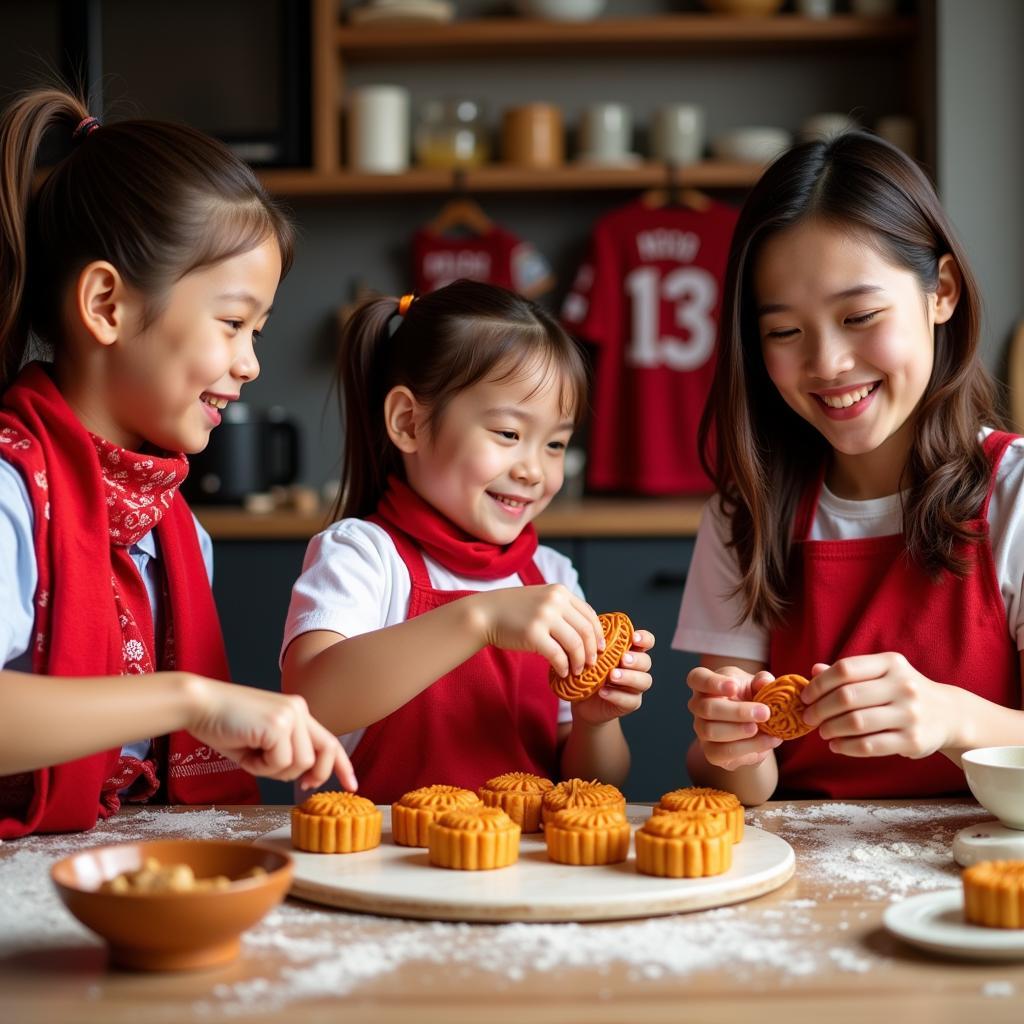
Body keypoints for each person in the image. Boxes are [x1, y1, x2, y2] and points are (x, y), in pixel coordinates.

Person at [0, 88, 356, 839]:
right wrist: (191, 701)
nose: (252, 363)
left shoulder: (174, 530)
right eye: (232, 323)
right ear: (106, 305)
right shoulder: (10, 496)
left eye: (257, 330)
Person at [674, 130, 1024, 806]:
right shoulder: (743, 513)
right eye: (784, 332)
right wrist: (732, 745)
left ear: (941, 292)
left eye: (859, 315)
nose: (827, 363)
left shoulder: (1014, 494)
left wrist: (952, 718)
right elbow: (731, 783)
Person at [281, 280, 654, 803]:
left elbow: (596, 785)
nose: (533, 470)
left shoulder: (554, 576)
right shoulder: (362, 554)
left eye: (555, 444)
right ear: (409, 422)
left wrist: (595, 723)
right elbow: (310, 702)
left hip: (521, 874)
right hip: (379, 866)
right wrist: (481, 620)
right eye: (508, 434)